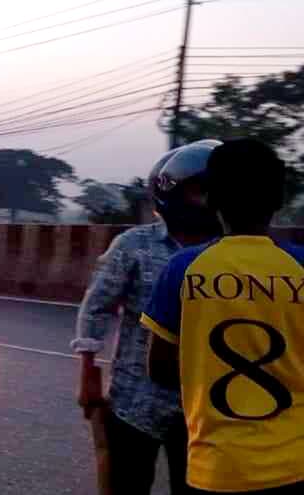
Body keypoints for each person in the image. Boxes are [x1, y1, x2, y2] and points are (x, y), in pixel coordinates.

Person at [144, 139, 304, 494]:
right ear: (279, 200)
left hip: (215, 466)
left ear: (211, 200)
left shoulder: (182, 269)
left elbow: (160, 369)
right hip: (296, 463)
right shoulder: (301, 266)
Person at [72, 140, 222, 494]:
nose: (209, 201)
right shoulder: (134, 246)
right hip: (134, 400)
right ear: (172, 192)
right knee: (125, 485)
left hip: (204, 408)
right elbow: (97, 307)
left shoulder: (230, 251)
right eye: (200, 192)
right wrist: (89, 375)